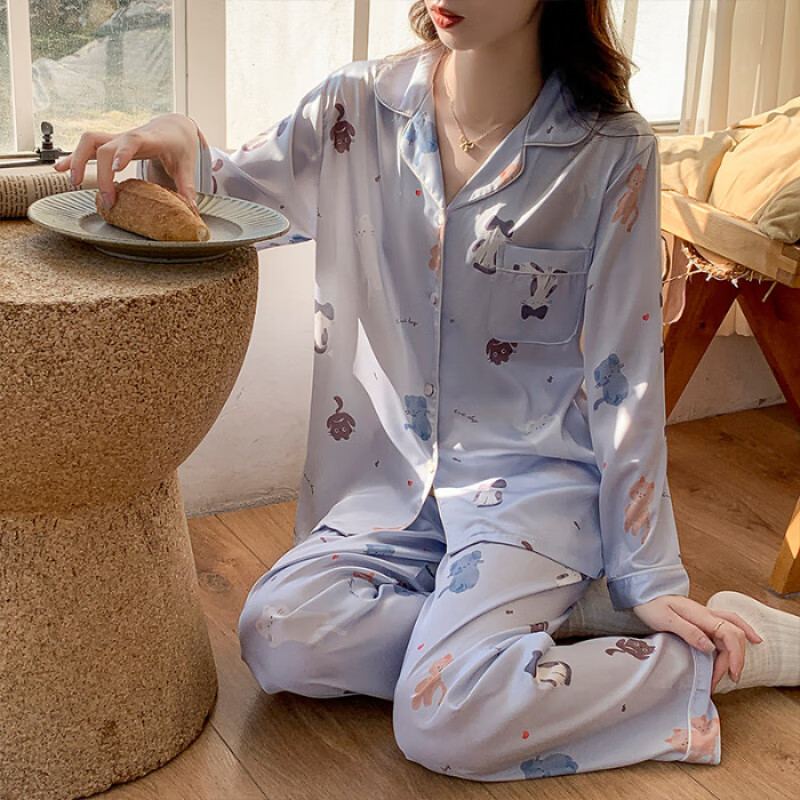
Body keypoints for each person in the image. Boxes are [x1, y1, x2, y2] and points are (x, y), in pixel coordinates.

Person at [57, 0, 800, 782]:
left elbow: (627, 382)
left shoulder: (612, 151)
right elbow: (227, 201)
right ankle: (530, 629)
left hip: (530, 492)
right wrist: (179, 132)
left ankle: (713, 664)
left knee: (444, 720)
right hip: (388, 489)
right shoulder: (355, 107)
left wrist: (648, 576)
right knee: (280, 636)